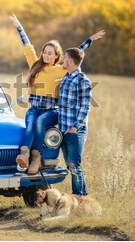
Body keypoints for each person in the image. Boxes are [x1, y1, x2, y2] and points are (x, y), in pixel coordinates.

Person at [10, 14, 104, 175]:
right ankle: (24, 156)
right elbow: (27, 45)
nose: (46, 55)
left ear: (57, 56)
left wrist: (91, 39)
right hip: (35, 107)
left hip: (51, 110)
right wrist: (19, 26)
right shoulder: (35, 64)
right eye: (44, 52)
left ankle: (36, 158)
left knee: (39, 122)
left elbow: (78, 51)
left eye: (50, 53)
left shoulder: (61, 69)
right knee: (30, 123)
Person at [58, 48, 92, 196]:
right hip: (63, 129)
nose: (62, 61)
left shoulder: (82, 80)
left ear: (70, 61)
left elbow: (85, 107)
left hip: (75, 131)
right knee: (70, 165)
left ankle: (80, 198)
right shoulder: (66, 77)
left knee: (74, 166)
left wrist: (74, 127)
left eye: (64, 58)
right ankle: (81, 198)